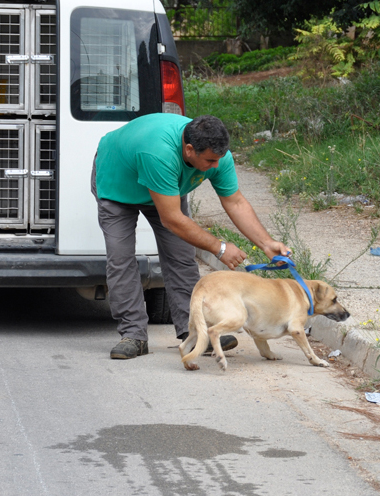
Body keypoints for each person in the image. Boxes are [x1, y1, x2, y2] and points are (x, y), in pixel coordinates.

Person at [93, 114, 291, 359]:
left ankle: (196, 334)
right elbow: (172, 219)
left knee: (181, 257)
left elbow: (236, 202)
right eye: (209, 160)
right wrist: (219, 248)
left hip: (166, 187)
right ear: (189, 149)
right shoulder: (159, 153)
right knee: (121, 259)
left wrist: (267, 243)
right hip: (118, 186)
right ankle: (133, 335)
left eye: (218, 159)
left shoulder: (218, 157)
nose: (216, 166)